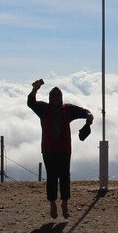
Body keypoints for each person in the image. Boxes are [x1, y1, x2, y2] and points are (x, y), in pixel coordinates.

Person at [27, 79, 94, 219]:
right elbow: (30, 103)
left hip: (64, 149)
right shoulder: (43, 109)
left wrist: (89, 117)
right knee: (51, 177)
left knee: (64, 177)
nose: (55, 98)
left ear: (61, 97)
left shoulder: (67, 109)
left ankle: (64, 203)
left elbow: (85, 111)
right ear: (50, 98)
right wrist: (35, 89)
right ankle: (52, 204)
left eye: (58, 96)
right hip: (49, 149)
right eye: (53, 96)